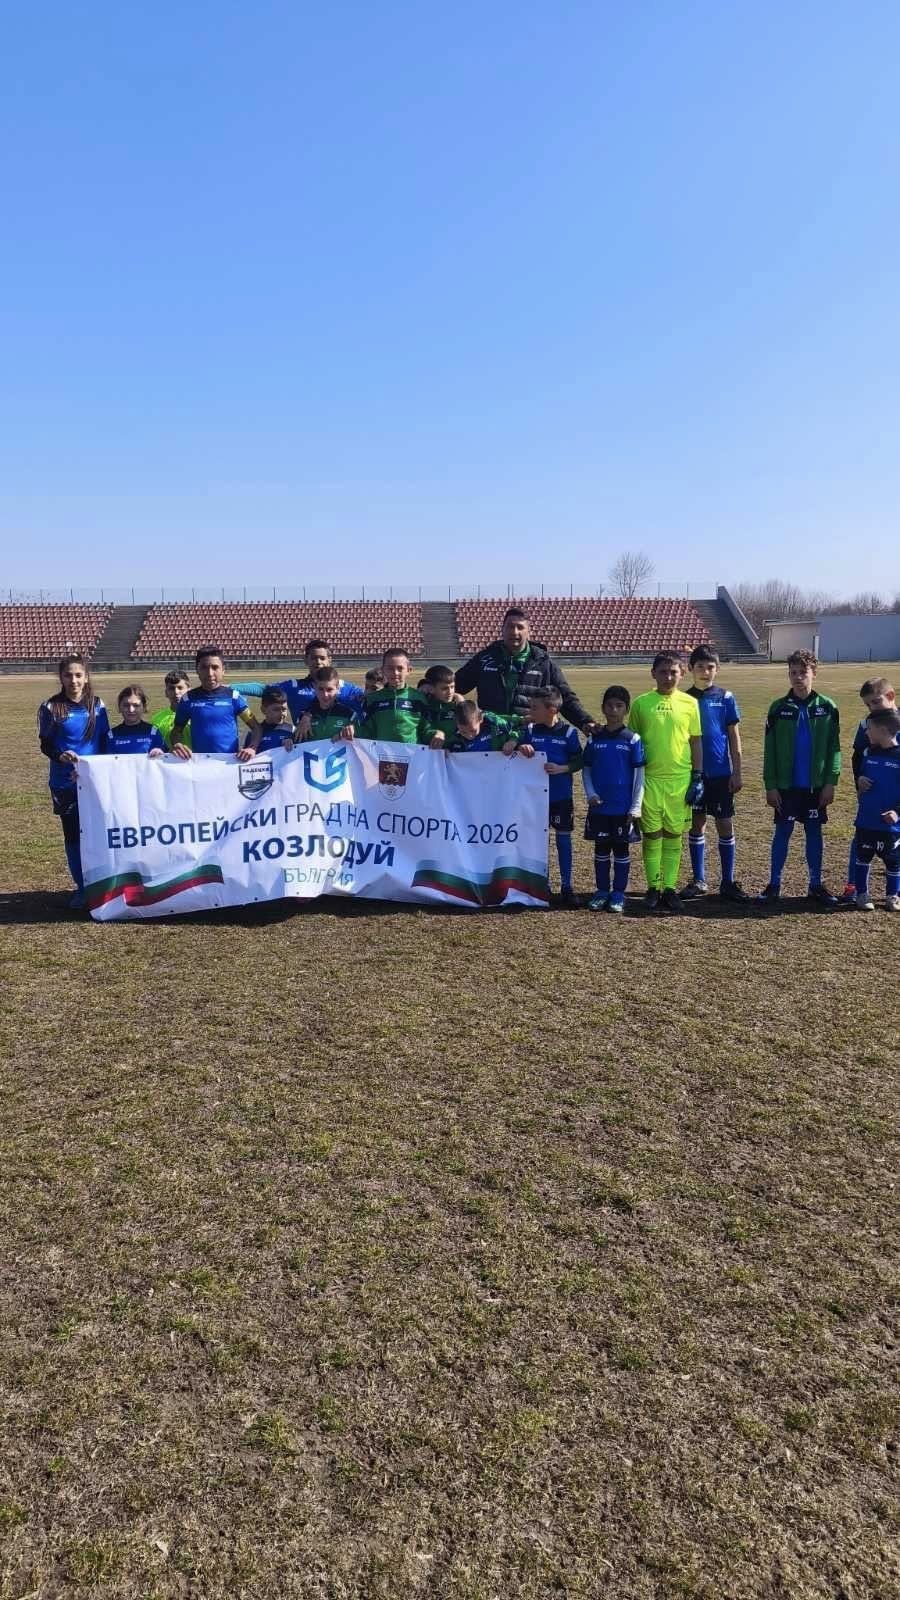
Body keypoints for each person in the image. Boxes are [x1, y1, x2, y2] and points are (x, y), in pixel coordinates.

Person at [758, 649, 841, 906]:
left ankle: (815, 884)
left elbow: (834, 748)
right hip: (786, 787)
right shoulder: (778, 708)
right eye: (793, 673)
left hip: (816, 788)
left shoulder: (828, 707)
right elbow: (769, 751)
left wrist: (830, 782)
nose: (797, 677)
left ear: (814, 673)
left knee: (814, 833)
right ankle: (774, 884)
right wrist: (771, 786)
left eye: (803, 672)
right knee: (782, 832)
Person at [628, 653, 703, 914]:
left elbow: (695, 740)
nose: (668, 677)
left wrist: (697, 776)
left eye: (673, 672)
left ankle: (669, 888)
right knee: (652, 835)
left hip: (679, 781)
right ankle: (653, 887)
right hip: (649, 780)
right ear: (653, 673)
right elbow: (633, 743)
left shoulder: (690, 703)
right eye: (663, 672)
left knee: (673, 834)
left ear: (682, 674)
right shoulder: (641, 704)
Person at [37, 653, 111, 908]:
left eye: (78, 675)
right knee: (73, 836)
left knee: (98, 835)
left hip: (94, 783)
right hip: (64, 784)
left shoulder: (98, 706)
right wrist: (60, 756)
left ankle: (102, 885)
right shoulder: (51, 707)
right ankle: (82, 889)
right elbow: (45, 743)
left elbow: (105, 741)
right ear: (61, 677)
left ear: (86, 677)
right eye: (68, 675)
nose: (74, 680)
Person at [454, 607, 593, 730]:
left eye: (520, 627)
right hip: (491, 733)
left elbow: (566, 698)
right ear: (502, 629)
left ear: (528, 632)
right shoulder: (484, 659)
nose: (514, 632)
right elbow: (454, 686)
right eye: (510, 626)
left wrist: (585, 722)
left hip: (529, 736)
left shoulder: (543, 662)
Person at [682, 645, 749, 903]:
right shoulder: (684, 699)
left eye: (710, 667)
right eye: (700, 666)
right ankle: (699, 879)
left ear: (717, 669)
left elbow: (734, 736)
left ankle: (727, 881)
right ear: (691, 669)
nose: (705, 671)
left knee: (724, 823)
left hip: (721, 773)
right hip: (694, 774)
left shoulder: (726, 697)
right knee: (697, 822)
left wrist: (737, 771)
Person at [516, 686, 584, 906]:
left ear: (552, 710)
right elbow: (517, 748)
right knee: (538, 843)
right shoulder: (530, 730)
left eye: (535, 708)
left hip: (561, 797)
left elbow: (580, 760)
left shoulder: (568, 733)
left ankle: (567, 886)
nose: (530, 711)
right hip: (535, 798)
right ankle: (540, 884)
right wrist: (521, 746)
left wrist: (563, 768)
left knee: (563, 840)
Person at [582, 686, 645, 914]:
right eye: (609, 705)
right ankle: (601, 891)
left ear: (626, 710)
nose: (614, 710)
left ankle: (618, 893)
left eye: (619, 706)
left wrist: (635, 806)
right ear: (603, 708)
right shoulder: (594, 739)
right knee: (600, 850)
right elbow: (586, 769)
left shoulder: (632, 739)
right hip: (599, 807)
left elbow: (639, 775)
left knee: (621, 850)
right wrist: (591, 794)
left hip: (622, 808)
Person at [841, 678, 897, 899]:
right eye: (867, 704)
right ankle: (853, 885)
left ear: (890, 696)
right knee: (862, 836)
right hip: (873, 793)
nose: (872, 708)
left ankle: (895, 890)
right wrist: (859, 780)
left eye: (875, 702)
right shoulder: (867, 725)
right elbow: (857, 757)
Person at [232, 640, 366, 721]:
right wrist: (226, 688)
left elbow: (370, 700)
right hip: (306, 748)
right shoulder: (293, 687)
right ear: (306, 660)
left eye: (322, 658)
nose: (318, 662)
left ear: (329, 660)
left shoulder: (348, 689)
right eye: (314, 658)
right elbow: (262, 689)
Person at [851, 707, 900, 911]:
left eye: (869, 728)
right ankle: (862, 894)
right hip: (867, 820)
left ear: (883, 731)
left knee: (893, 861)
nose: (866, 732)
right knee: (862, 857)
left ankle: (892, 896)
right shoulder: (868, 753)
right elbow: (861, 775)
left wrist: (897, 812)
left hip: (890, 825)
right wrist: (860, 780)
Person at [171, 646, 258, 761]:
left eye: (215, 667)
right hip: (201, 764)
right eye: (204, 667)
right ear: (197, 670)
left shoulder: (234, 697)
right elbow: (176, 730)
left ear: (223, 670)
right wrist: (176, 743)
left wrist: (252, 748)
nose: (210, 673)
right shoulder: (188, 699)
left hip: (229, 763)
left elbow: (256, 728)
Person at [355, 650, 434, 743]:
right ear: (383, 670)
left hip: (412, 751)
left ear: (409, 670)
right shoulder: (372, 699)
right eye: (390, 668)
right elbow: (367, 732)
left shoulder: (419, 698)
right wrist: (354, 730)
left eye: (400, 668)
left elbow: (426, 730)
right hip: (382, 751)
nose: (395, 673)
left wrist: (435, 734)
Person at [293, 667, 361, 742]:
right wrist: (288, 740)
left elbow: (362, 742)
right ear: (314, 687)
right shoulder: (304, 717)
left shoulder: (349, 715)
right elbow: (296, 743)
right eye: (321, 689)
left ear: (338, 688)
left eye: (329, 689)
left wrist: (353, 731)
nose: (325, 694)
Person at [106, 685, 167, 754]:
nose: (131, 710)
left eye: (136, 705)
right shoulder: (112, 735)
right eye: (126, 705)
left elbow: (164, 756)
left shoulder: (153, 732)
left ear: (144, 707)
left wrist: (160, 752)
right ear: (120, 707)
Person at [419, 664, 465, 747]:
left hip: (455, 752)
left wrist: (463, 708)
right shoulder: (424, 705)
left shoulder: (458, 705)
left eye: (452, 687)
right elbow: (422, 730)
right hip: (431, 752)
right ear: (431, 689)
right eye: (444, 688)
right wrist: (434, 733)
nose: (450, 692)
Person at [447, 700, 518, 752]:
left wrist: (513, 740)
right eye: (463, 732)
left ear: (481, 718)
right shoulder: (455, 738)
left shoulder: (495, 723)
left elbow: (518, 727)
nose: (469, 736)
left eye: (473, 730)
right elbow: (449, 749)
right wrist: (446, 752)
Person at [244, 686, 296, 754]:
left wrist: (293, 743)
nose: (281, 713)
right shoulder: (253, 735)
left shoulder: (293, 731)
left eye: (284, 709)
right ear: (263, 710)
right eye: (276, 709)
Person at [150, 669, 192, 751]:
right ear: (166, 692)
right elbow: (152, 745)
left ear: (189, 691)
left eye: (180, 688)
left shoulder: (197, 715)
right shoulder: (156, 719)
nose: (176, 692)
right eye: (171, 688)